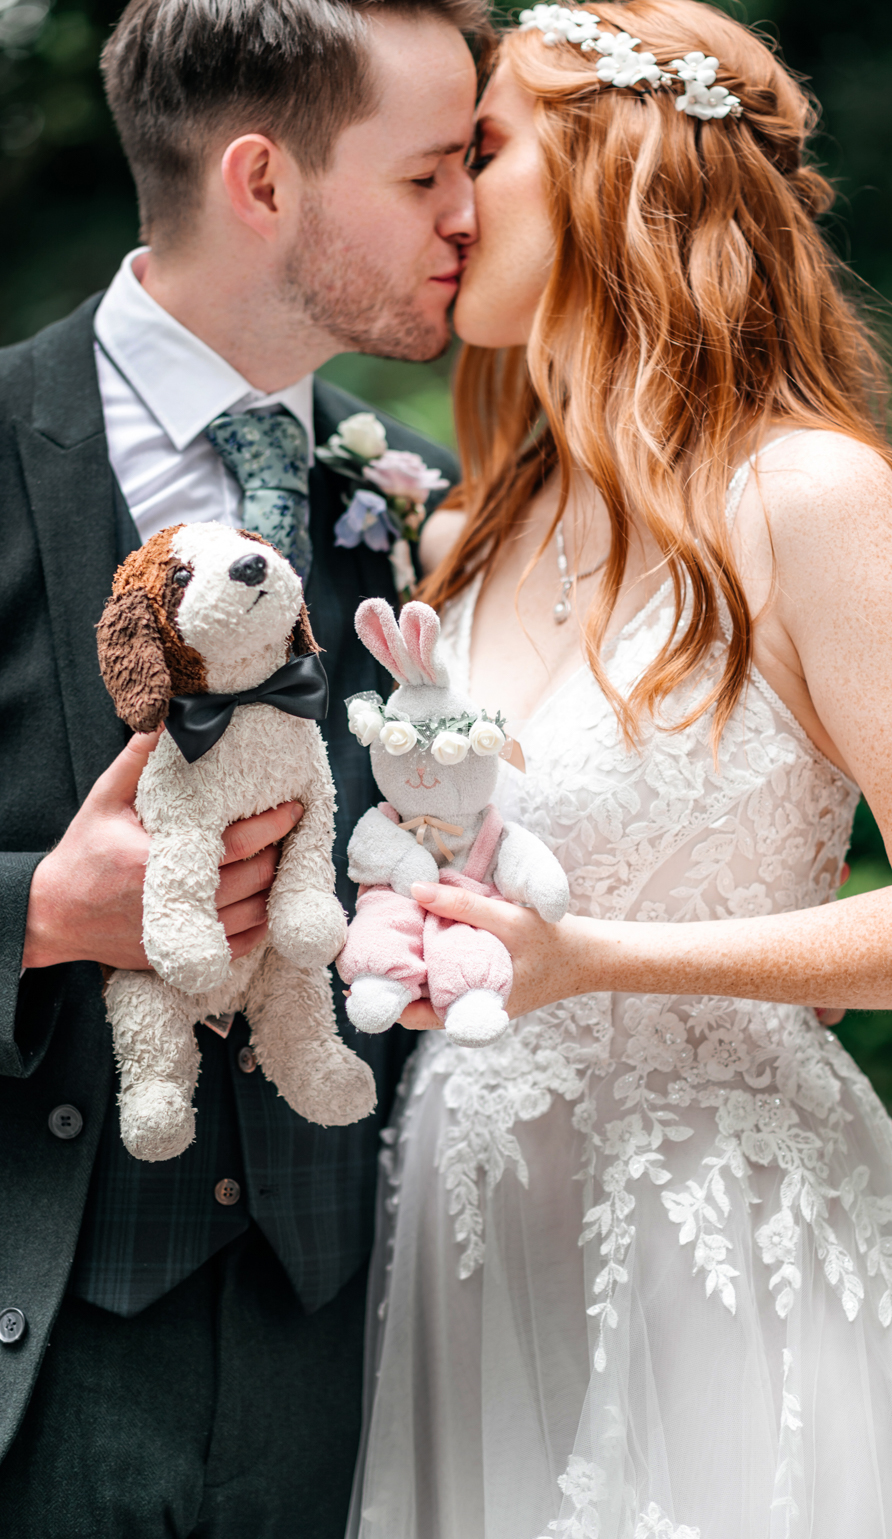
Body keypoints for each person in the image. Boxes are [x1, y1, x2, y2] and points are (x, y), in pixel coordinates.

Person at [347, 3, 892, 1535]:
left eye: (484, 153)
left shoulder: (805, 496)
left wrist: (597, 960)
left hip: (717, 1237)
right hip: (463, 1232)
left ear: (612, 170)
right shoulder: (470, 537)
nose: (448, 205)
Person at [0, 0, 483, 1531]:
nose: (471, 215)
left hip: (348, 1362)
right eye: (426, 177)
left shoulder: (418, 496)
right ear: (263, 182)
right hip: (39, 1347)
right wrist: (37, 911)